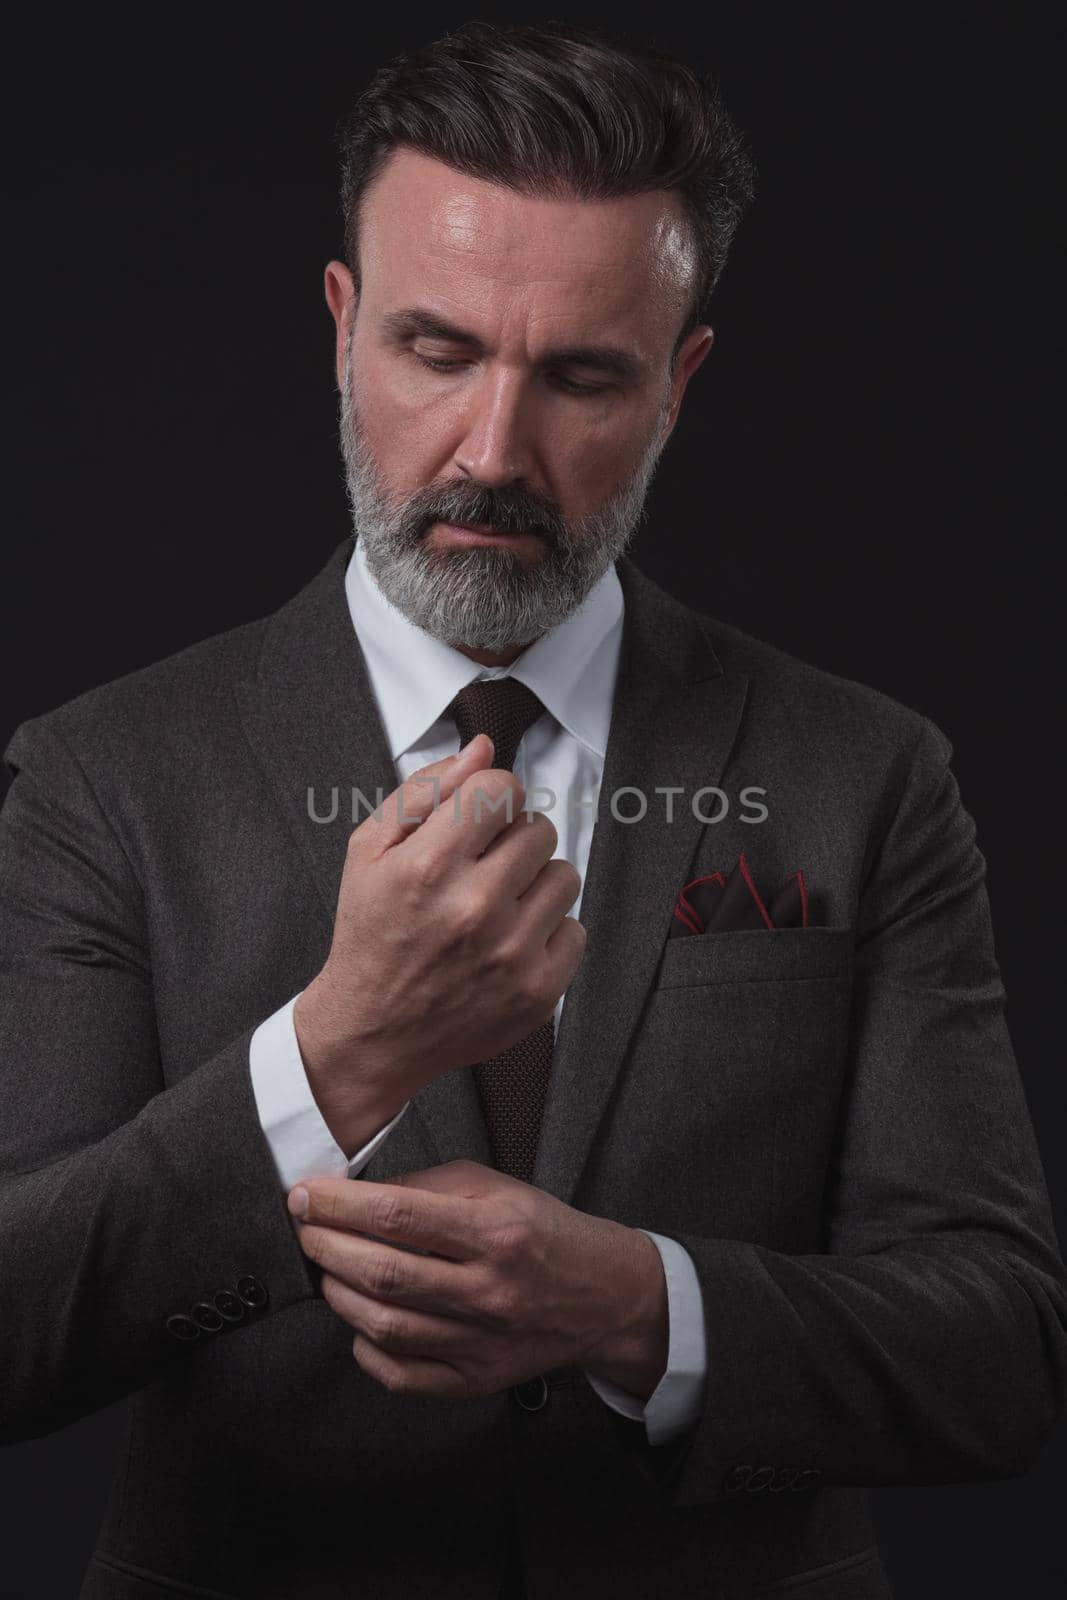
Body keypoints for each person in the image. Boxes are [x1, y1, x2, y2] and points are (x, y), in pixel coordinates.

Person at [2, 19, 1064, 1600]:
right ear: (342, 326)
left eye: (579, 375)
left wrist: (641, 1306)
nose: (494, 453)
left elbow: (1002, 1351)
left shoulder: (868, 772)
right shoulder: (101, 775)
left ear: (680, 383)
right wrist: (342, 1050)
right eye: (438, 351)